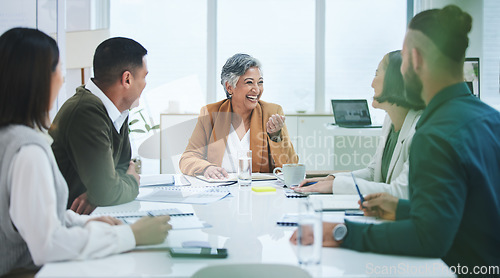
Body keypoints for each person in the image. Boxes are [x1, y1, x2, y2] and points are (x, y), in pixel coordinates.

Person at [291, 5, 500, 272]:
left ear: (415, 59)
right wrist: (401, 209)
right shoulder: (490, 119)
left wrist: (340, 233)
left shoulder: (434, 133)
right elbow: (464, 212)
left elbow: (428, 239)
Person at [0, 27, 171, 277]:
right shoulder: (28, 151)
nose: (61, 79)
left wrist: (88, 221)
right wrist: (130, 235)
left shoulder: (12, 138)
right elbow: (47, 244)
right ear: (38, 79)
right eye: (58, 69)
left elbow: (42, 219)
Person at [295, 50, 424, 199]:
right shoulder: (390, 121)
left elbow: (401, 193)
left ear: (395, 81)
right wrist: (332, 180)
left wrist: (335, 186)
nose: (372, 83)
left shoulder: (419, 129)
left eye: (376, 74)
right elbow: (373, 172)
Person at [49, 37, 149, 214]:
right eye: (144, 77)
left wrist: (99, 193)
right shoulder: (86, 111)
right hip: (63, 225)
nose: (145, 84)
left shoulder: (117, 110)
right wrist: (131, 181)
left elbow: (122, 167)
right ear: (127, 79)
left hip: (88, 218)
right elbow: (108, 189)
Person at [180, 53, 298, 178]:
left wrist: (275, 136)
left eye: (260, 82)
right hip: (220, 188)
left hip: (259, 191)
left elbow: (291, 167)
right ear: (229, 87)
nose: (257, 90)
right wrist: (207, 168)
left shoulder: (272, 112)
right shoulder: (210, 114)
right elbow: (187, 158)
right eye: (249, 82)